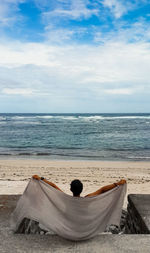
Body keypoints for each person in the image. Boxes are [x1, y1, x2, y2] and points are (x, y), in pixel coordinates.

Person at [32, 175, 126, 197]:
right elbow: (102, 190)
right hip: (84, 230)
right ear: (82, 189)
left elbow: (53, 186)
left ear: (70, 189)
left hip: (69, 229)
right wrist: (117, 184)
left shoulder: (65, 199)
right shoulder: (88, 199)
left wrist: (41, 179)